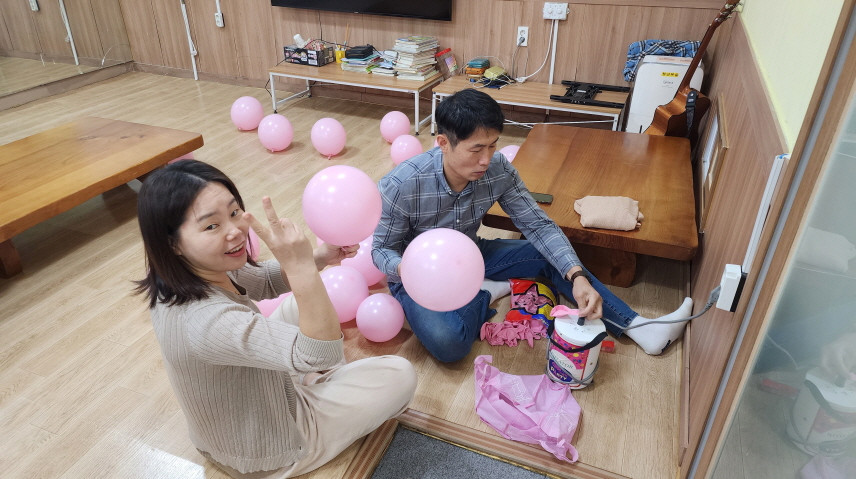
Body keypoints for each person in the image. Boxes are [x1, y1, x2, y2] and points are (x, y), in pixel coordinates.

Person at [135, 160, 416, 478]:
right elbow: (322, 353)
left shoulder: (185, 271)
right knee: (400, 374)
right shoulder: (206, 321)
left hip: (249, 411)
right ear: (172, 243)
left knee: (303, 303)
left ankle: (313, 382)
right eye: (211, 226)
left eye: (234, 212)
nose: (235, 231)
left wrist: (318, 258)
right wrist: (301, 267)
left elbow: (264, 279)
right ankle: (316, 386)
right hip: (270, 448)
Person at [372, 88, 693, 363]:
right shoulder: (403, 184)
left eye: (492, 145)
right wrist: (408, 270)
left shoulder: (497, 169)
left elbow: (539, 226)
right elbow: (382, 249)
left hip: (472, 254)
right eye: (476, 149)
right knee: (449, 343)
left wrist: (577, 276)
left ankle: (638, 327)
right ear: (443, 142)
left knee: (552, 256)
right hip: (417, 276)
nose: (486, 159)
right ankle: (485, 292)